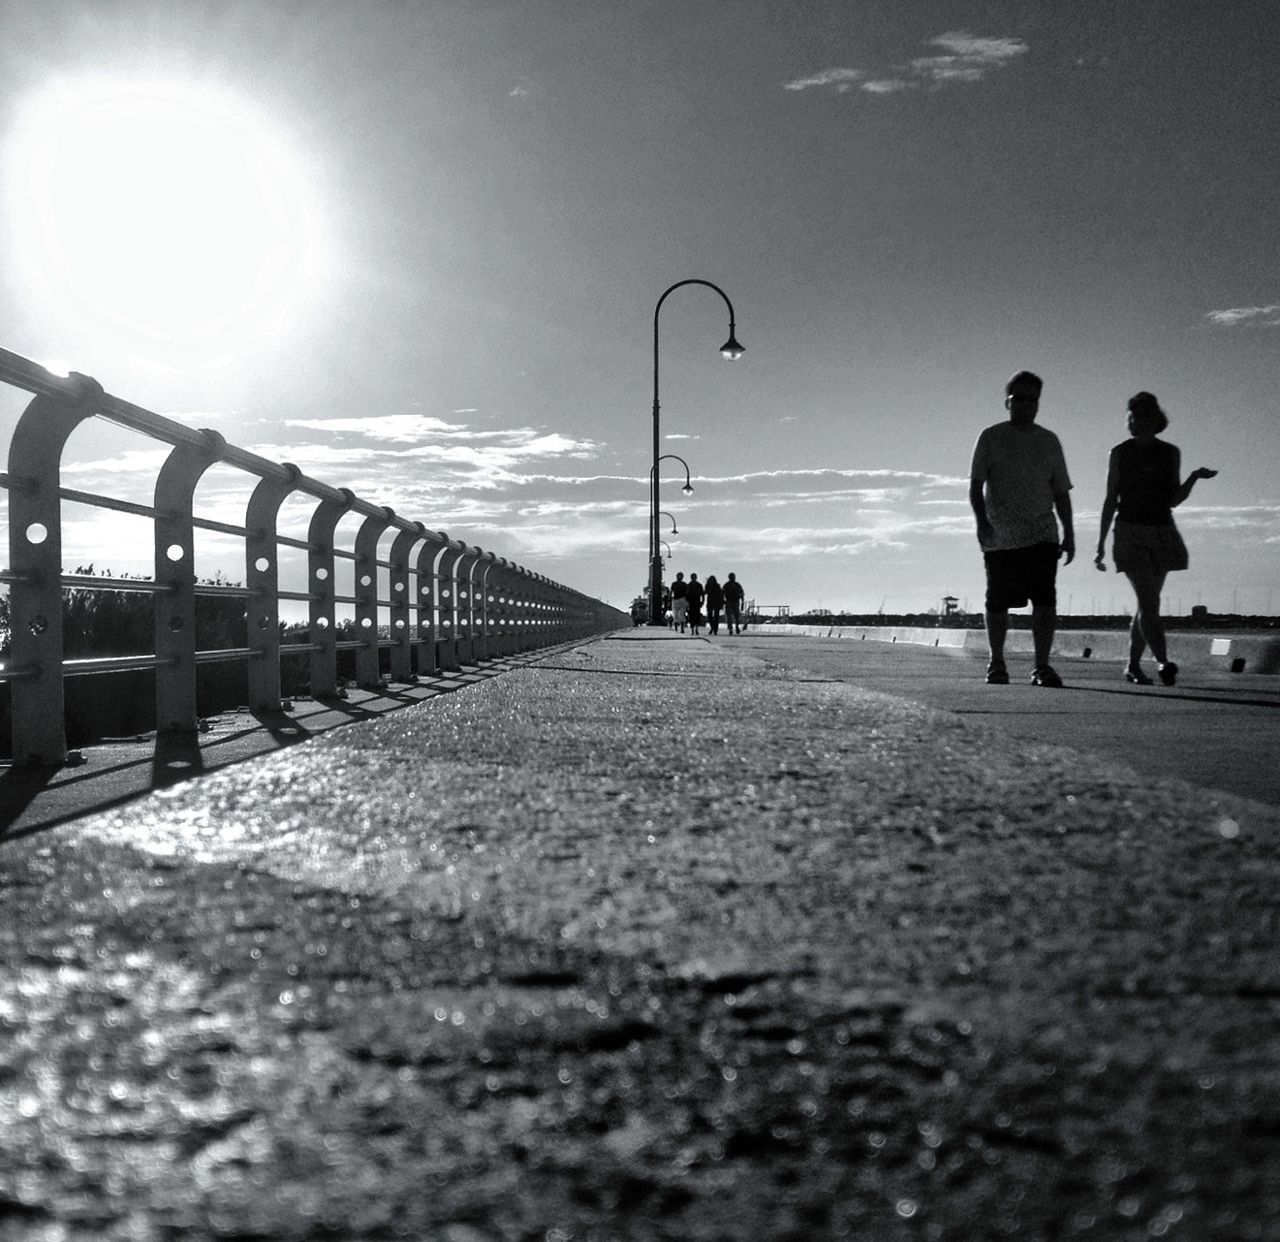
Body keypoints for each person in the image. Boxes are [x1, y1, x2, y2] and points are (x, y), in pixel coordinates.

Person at [1094, 391, 1217, 686]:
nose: (1139, 419)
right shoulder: (1120, 452)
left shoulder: (1169, 452)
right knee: (1148, 602)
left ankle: (1133, 666)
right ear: (1130, 421)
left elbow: (1173, 499)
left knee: (1147, 603)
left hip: (1162, 530)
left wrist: (1194, 478)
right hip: (1129, 530)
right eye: (1134, 415)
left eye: (1145, 413)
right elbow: (1111, 498)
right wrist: (1099, 545)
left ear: (1155, 418)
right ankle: (1163, 662)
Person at [969, 370, 1075, 687]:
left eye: (1032, 399)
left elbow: (1061, 492)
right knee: (997, 600)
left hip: (1042, 534)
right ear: (1007, 402)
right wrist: (981, 523)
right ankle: (996, 662)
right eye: (1019, 399)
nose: (1026, 405)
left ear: (1038, 404)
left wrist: (1069, 533)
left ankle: (1041, 666)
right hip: (1000, 536)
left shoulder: (1049, 441)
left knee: (1044, 600)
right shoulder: (991, 437)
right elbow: (975, 487)